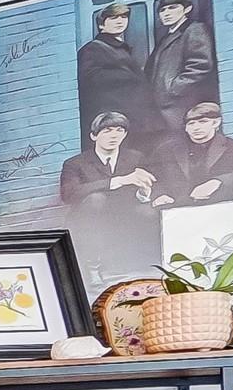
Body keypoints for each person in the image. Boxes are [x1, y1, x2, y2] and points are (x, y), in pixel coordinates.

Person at [59, 111, 161, 282]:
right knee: (96, 199)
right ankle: (92, 268)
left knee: (149, 211)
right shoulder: (75, 163)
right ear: (93, 136)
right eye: (107, 131)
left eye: (119, 131)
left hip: (123, 213)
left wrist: (144, 191)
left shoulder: (135, 157)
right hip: (89, 217)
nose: (113, 136)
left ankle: (146, 263)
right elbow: (69, 194)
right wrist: (118, 181)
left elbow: (149, 190)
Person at [76, 2, 158, 150]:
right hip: (117, 118)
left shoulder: (121, 48)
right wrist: (128, 77)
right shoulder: (93, 48)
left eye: (123, 17)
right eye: (113, 18)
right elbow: (90, 79)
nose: (120, 21)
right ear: (101, 25)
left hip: (135, 117)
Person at [151, 102, 233, 208]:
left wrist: (217, 182)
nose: (196, 128)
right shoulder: (167, 150)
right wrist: (159, 195)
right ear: (186, 128)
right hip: (179, 211)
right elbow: (152, 177)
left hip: (225, 209)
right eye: (191, 124)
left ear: (216, 123)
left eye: (203, 122)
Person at [146, 0, 216, 134]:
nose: (166, 13)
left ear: (187, 9)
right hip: (164, 108)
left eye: (173, 8)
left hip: (181, 105)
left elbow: (200, 66)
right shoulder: (167, 37)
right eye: (162, 10)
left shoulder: (194, 30)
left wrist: (173, 88)